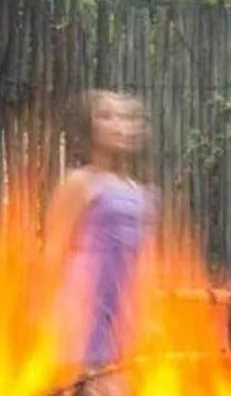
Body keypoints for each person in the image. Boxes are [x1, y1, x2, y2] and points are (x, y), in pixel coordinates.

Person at [45, 89, 154, 367]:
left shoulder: (140, 194)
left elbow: (146, 260)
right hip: (83, 311)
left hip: (125, 314)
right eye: (106, 116)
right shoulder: (79, 184)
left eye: (125, 117)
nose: (119, 125)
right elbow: (53, 253)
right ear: (89, 128)